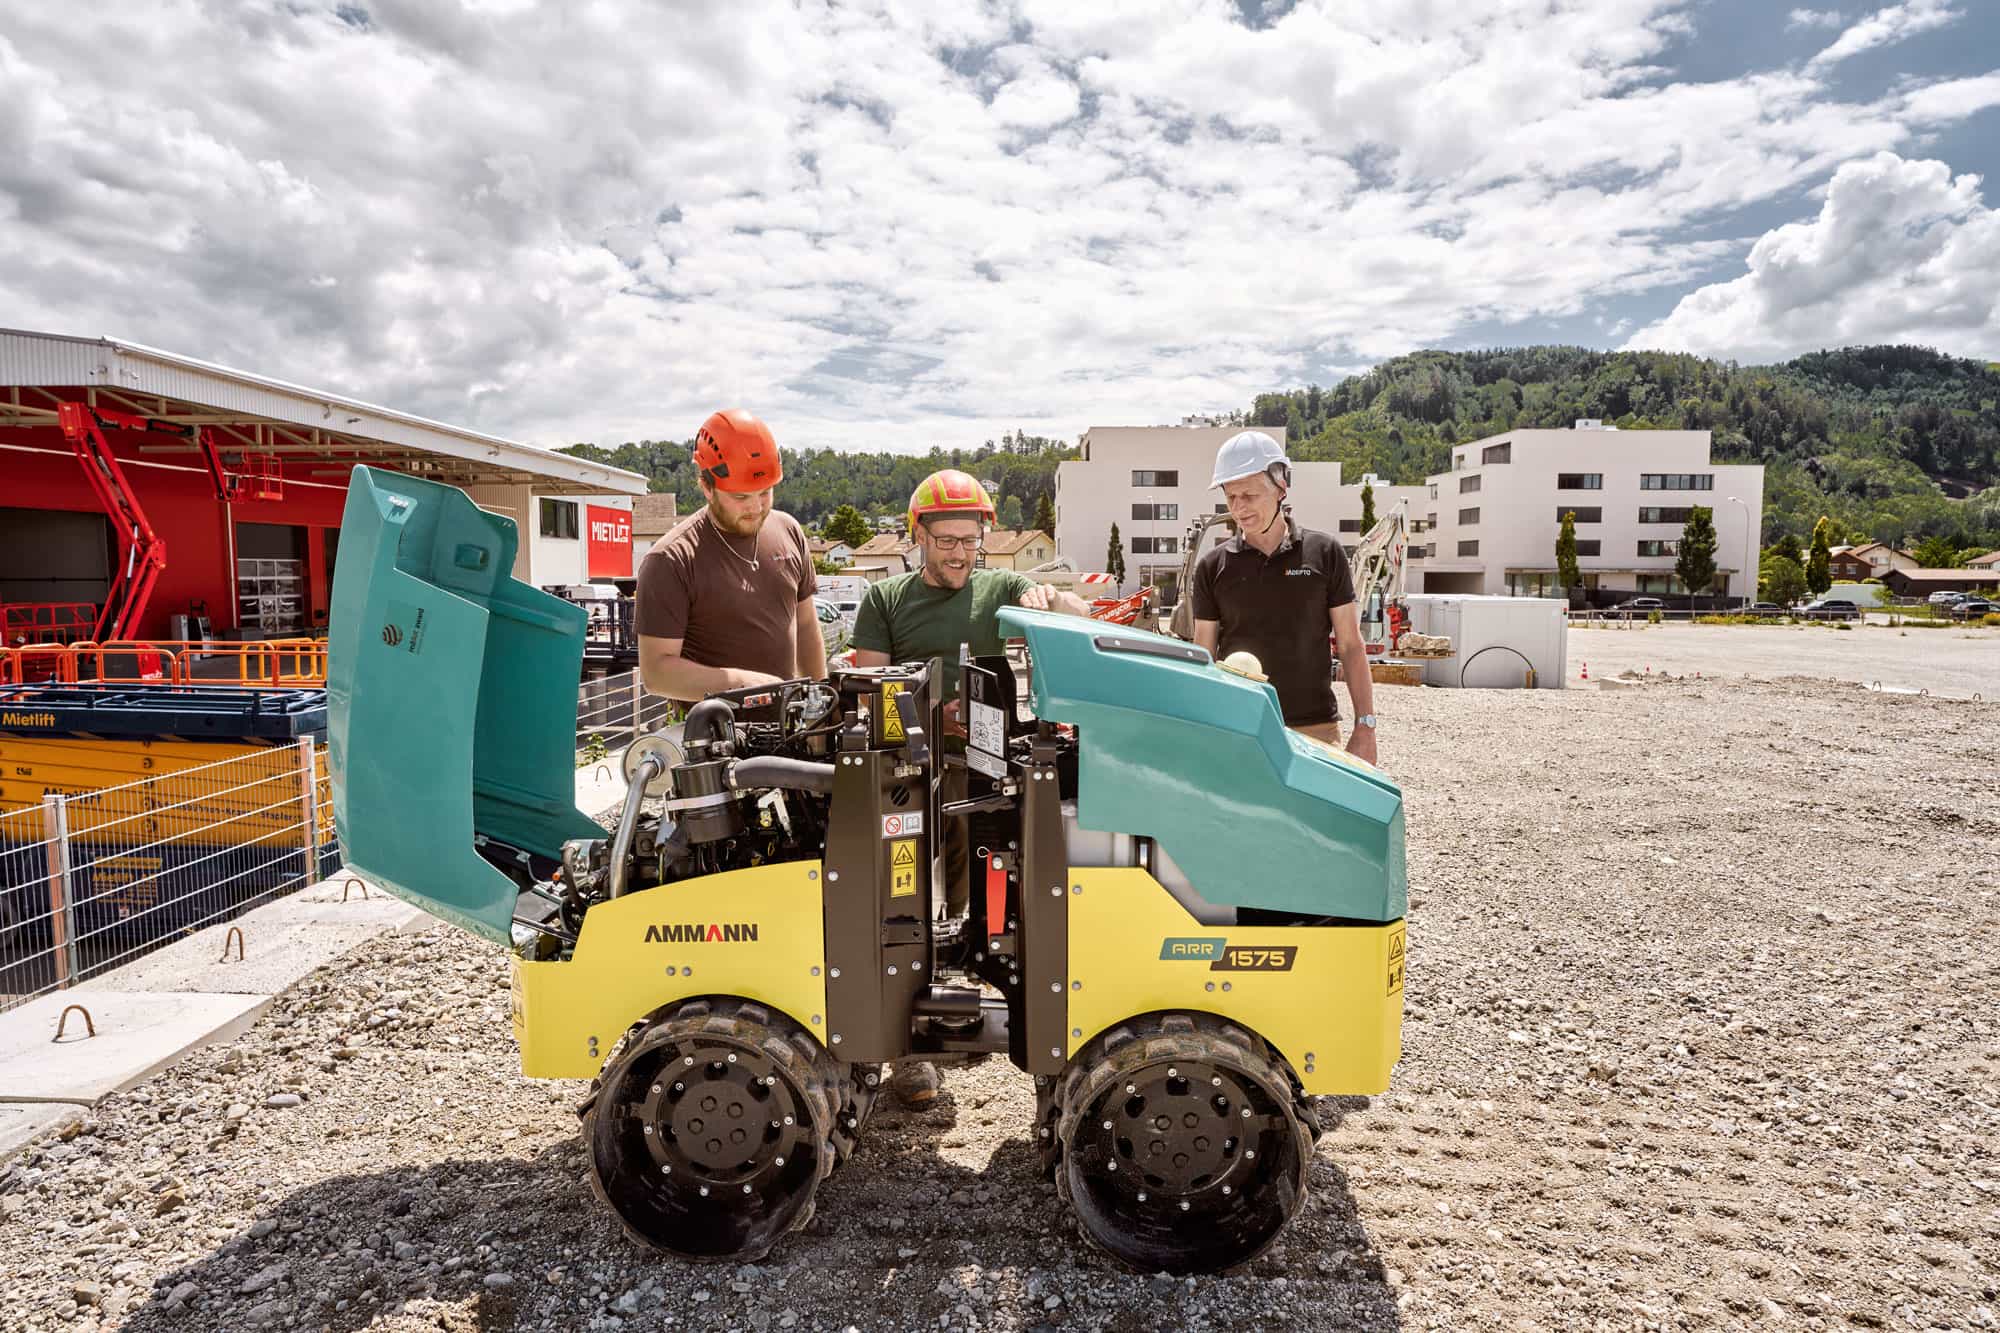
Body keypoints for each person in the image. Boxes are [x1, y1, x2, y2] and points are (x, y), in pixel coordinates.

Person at [849, 468, 1090, 1107]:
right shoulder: (885, 602)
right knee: (899, 904)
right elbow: (870, 695)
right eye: (946, 540)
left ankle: (968, 1005)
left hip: (986, 774)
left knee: (984, 902)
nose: (959, 552)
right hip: (903, 779)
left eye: (969, 539)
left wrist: (1052, 603)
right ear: (918, 537)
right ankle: (906, 1052)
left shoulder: (1000, 589)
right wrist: (933, 716)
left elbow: (1080, 611)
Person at [1187, 431, 1379, 766]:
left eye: (1249, 494)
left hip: (1316, 730)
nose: (1238, 508)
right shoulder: (1212, 567)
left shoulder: (1324, 553)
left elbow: (1350, 645)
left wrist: (1366, 726)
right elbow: (1205, 654)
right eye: (1231, 497)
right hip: (1241, 730)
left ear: (1281, 486)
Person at [635, 409, 825, 705]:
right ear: (707, 488)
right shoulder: (671, 560)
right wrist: (740, 684)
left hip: (789, 728)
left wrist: (820, 700)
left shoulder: (789, 531)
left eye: (765, 493)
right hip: (711, 738)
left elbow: (806, 627)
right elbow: (657, 672)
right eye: (740, 497)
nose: (756, 507)